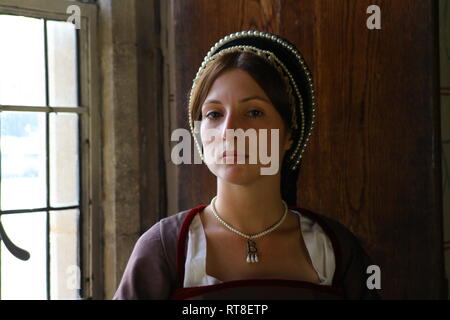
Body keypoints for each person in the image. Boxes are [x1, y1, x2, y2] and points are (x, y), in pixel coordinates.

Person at [113, 30, 381, 300]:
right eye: (214, 114)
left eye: (254, 112)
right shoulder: (165, 248)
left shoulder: (335, 248)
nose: (230, 130)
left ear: (289, 134)